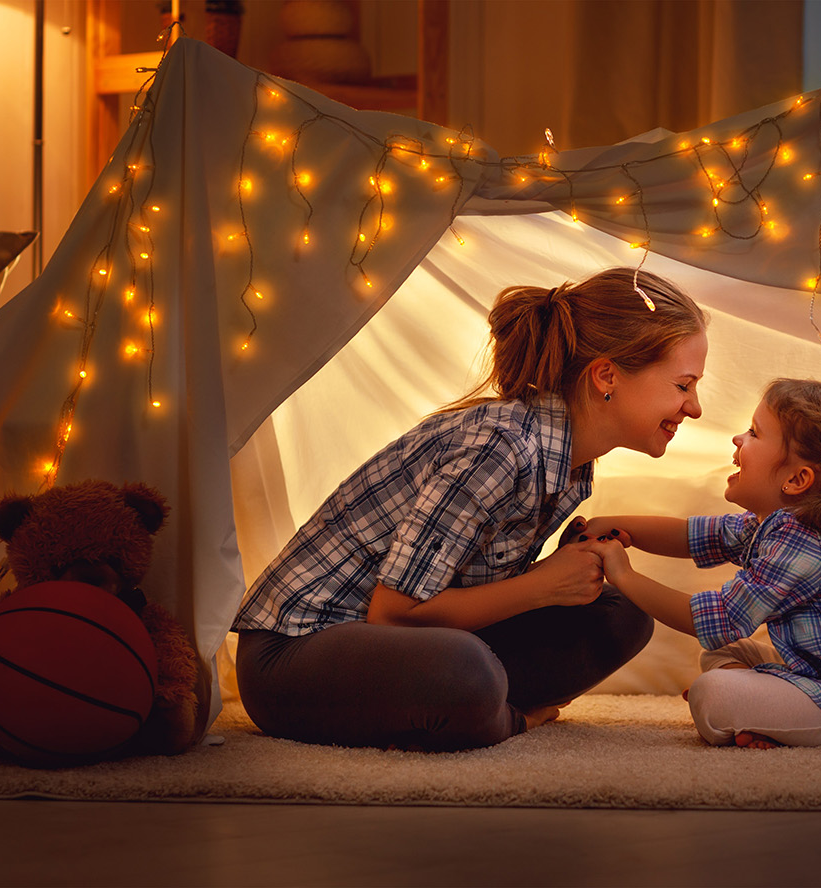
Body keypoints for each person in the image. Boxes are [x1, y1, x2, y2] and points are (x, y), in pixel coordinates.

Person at [230, 267, 708, 751]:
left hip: (404, 647)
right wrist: (542, 585)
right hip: (295, 657)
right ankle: (505, 719)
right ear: (607, 376)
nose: (694, 409)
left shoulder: (569, 464)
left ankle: (471, 708)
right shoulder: (499, 449)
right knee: (464, 671)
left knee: (623, 613)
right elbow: (394, 615)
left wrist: (562, 575)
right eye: (683, 385)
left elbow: (465, 585)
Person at [578, 378, 821, 749]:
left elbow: (719, 619)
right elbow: (693, 536)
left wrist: (622, 575)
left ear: (797, 480)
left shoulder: (807, 544)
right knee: (725, 654)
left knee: (712, 695)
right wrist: (620, 526)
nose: (738, 439)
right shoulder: (778, 525)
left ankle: (772, 715)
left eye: (753, 432)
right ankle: (764, 715)